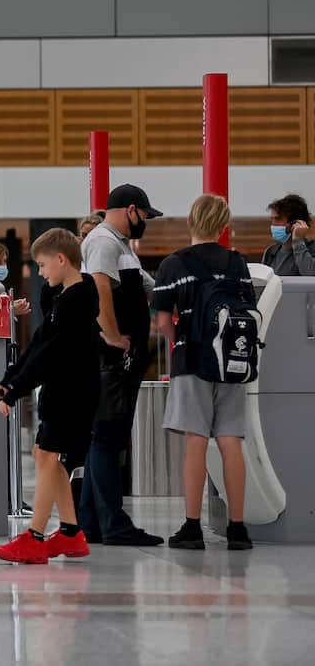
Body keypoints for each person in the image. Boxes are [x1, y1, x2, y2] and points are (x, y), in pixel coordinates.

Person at [153, 194, 255, 551]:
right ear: (224, 227)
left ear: (189, 223)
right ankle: (238, 529)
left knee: (196, 440)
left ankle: (192, 527)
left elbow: (164, 321)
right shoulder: (238, 263)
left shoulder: (173, 264)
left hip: (192, 360)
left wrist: (177, 341)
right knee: (231, 442)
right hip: (232, 363)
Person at [0, 228, 100, 564]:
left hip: (73, 391)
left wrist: (15, 391)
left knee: (50, 456)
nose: (40, 273)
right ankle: (70, 532)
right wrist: (10, 380)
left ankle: (34, 537)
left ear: (61, 259)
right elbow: (39, 342)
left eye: (42, 265)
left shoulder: (78, 299)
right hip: (62, 389)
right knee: (43, 454)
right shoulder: (62, 299)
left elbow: (51, 354)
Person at [77, 184, 164, 547]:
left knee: (105, 439)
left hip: (119, 358)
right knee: (107, 440)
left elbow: (150, 287)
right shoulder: (103, 242)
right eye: (144, 215)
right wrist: (113, 336)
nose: (146, 221)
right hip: (111, 359)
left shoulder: (120, 245)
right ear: (130, 209)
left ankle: (91, 522)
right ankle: (114, 523)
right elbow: (99, 288)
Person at [262, 193, 315, 276]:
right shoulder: (270, 252)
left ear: (296, 223)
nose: (273, 224)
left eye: (278, 219)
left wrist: (298, 241)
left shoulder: (312, 249)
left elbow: (311, 276)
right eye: (272, 219)